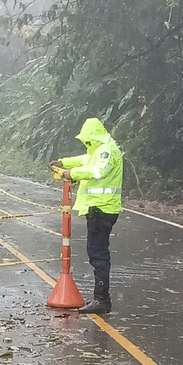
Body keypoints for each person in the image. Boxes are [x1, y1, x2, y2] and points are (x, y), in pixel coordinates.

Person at [51, 118, 124, 314]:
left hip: (102, 209)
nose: (86, 143)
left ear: (93, 137)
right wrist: (64, 163)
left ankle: (102, 300)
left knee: (98, 254)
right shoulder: (99, 150)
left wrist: (71, 174)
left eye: (87, 140)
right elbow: (84, 160)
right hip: (100, 208)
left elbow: (97, 171)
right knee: (96, 252)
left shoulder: (106, 151)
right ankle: (100, 298)